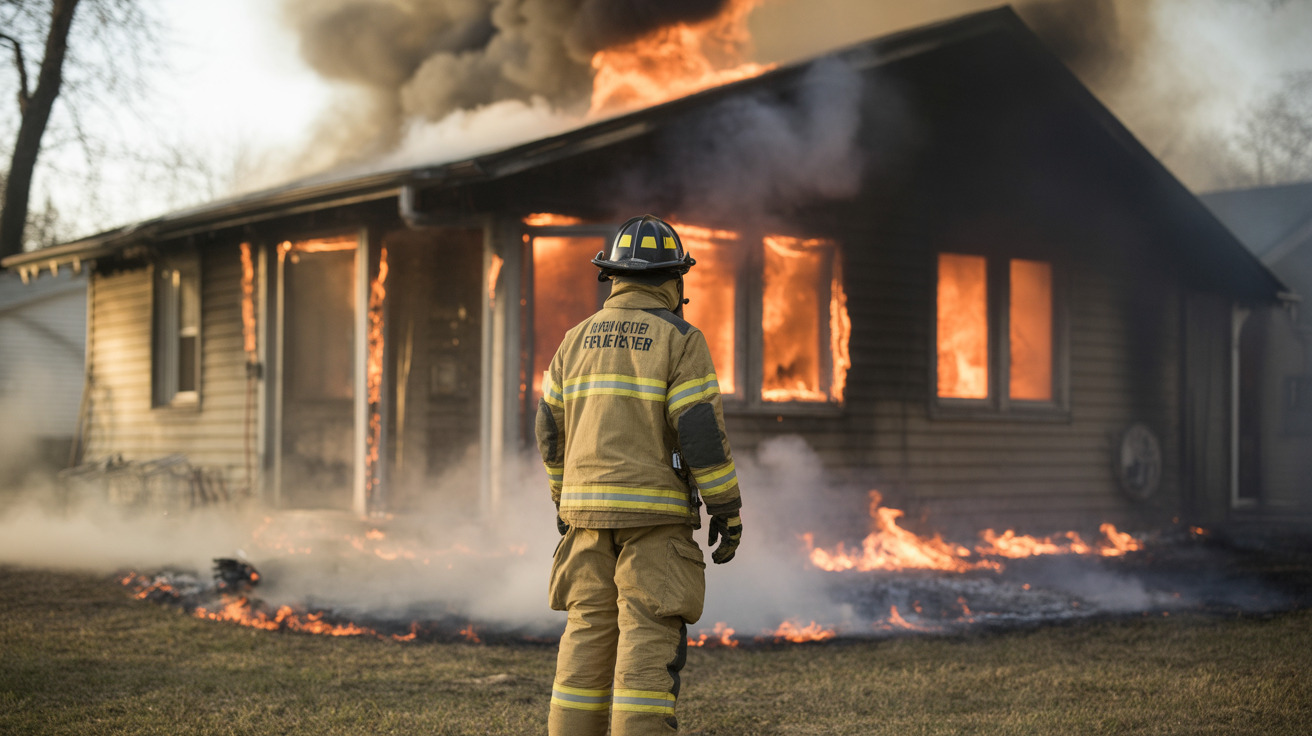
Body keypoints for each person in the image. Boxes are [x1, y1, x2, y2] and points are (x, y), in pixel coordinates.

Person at [537, 214, 743, 736]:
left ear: (613, 277)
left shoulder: (574, 339)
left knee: (586, 634)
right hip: (654, 519)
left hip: (585, 518)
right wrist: (725, 510)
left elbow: (549, 431)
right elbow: (699, 434)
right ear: (675, 280)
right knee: (648, 641)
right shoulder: (681, 339)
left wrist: (564, 500)